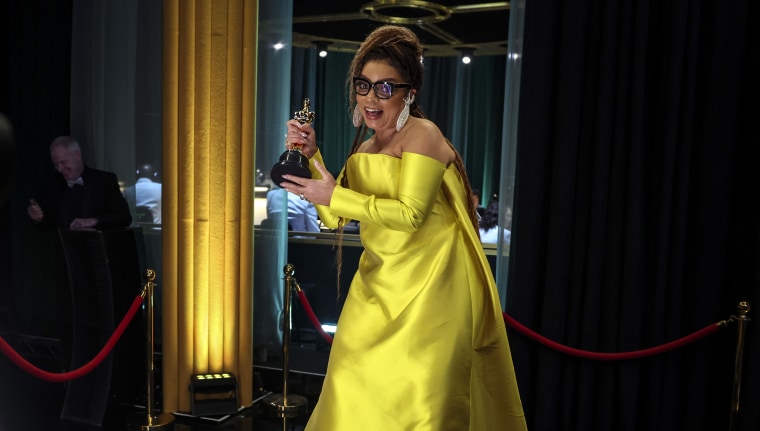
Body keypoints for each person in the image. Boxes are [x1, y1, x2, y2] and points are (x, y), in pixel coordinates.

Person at [278, 25, 526, 430]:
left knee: (422, 403)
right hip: (377, 289)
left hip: (434, 290)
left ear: (409, 92)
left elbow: (411, 213)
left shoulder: (423, 135)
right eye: (364, 85)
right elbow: (335, 217)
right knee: (351, 388)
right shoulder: (363, 149)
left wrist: (334, 196)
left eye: (385, 87)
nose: (371, 98)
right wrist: (311, 155)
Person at [27, 136, 132, 230]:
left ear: (77, 155)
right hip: (64, 250)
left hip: (98, 249)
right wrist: (38, 218)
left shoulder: (104, 181)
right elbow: (48, 225)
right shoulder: (51, 185)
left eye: (63, 162)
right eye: (56, 164)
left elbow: (124, 217)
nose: (59, 169)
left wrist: (94, 220)